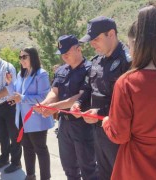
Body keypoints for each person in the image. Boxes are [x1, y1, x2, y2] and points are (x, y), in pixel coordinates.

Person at [102, 4, 156, 180]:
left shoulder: (127, 83)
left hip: (137, 167)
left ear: (138, 45)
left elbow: (119, 135)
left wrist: (107, 122)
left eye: (130, 45)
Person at [71, 16, 131, 180]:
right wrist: (78, 103)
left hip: (118, 134)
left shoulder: (128, 62)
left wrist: (100, 112)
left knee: (121, 174)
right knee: (103, 174)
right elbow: (89, 88)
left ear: (111, 34)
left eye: (96, 39)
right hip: (97, 132)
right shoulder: (96, 61)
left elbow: (129, 104)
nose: (92, 44)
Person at [35, 35, 97, 180]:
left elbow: (79, 97)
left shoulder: (90, 69)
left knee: (88, 168)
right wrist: (44, 103)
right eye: (62, 53)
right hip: (64, 125)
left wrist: (54, 107)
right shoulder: (61, 70)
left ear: (79, 49)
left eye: (67, 52)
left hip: (82, 124)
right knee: (69, 167)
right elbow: (54, 92)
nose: (64, 56)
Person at [5, 47, 54, 180]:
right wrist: (9, 84)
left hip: (36, 118)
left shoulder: (41, 73)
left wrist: (23, 98)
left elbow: (44, 96)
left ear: (33, 56)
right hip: (22, 118)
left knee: (40, 149)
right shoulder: (22, 75)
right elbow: (15, 93)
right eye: (20, 57)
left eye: (24, 56)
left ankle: (45, 177)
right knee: (26, 148)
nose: (21, 60)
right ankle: (30, 175)